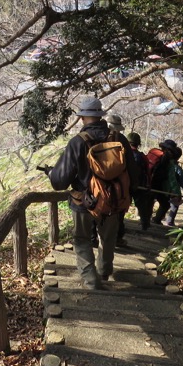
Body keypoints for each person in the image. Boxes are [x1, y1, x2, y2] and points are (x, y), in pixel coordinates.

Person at [46, 96, 139, 290]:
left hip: (84, 202)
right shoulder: (118, 138)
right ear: (100, 116)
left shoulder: (77, 142)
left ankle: (90, 280)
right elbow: (132, 172)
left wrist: (51, 173)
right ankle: (104, 271)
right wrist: (128, 194)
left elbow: (59, 181)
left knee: (81, 239)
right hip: (113, 201)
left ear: (82, 118)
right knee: (108, 237)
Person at [106, 113, 130, 247]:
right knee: (118, 211)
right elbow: (131, 164)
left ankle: (95, 239)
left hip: (100, 183)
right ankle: (117, 239)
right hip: (120, 184)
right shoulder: (122, 140)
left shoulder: (99, 138)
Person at [149, 139, 178, 225]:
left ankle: (145, 220)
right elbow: (172, 178)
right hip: (160, 185)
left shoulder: (154, 153)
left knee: (150, 202)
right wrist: (176, 192)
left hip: (149, 182)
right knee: (165, 204)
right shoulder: (168, 160)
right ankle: (156, 220)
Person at [126, 131, 151, 229]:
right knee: (141, 206)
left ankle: (119, 227)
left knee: (122, 206)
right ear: (138, 144)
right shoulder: (142, 156)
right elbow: (147, 172)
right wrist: (148, 185)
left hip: (125, 185)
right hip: (139, 185)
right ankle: (145, 225)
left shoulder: (123, 154)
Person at [162, 146, 183, 226]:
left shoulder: (164, 164)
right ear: (178, 157)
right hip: (173, 190)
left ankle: (159, 217)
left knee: (163, 204)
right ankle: (170, 221)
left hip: (162, 188)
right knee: (175, 205)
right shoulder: (177, 168)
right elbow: (182, 180)